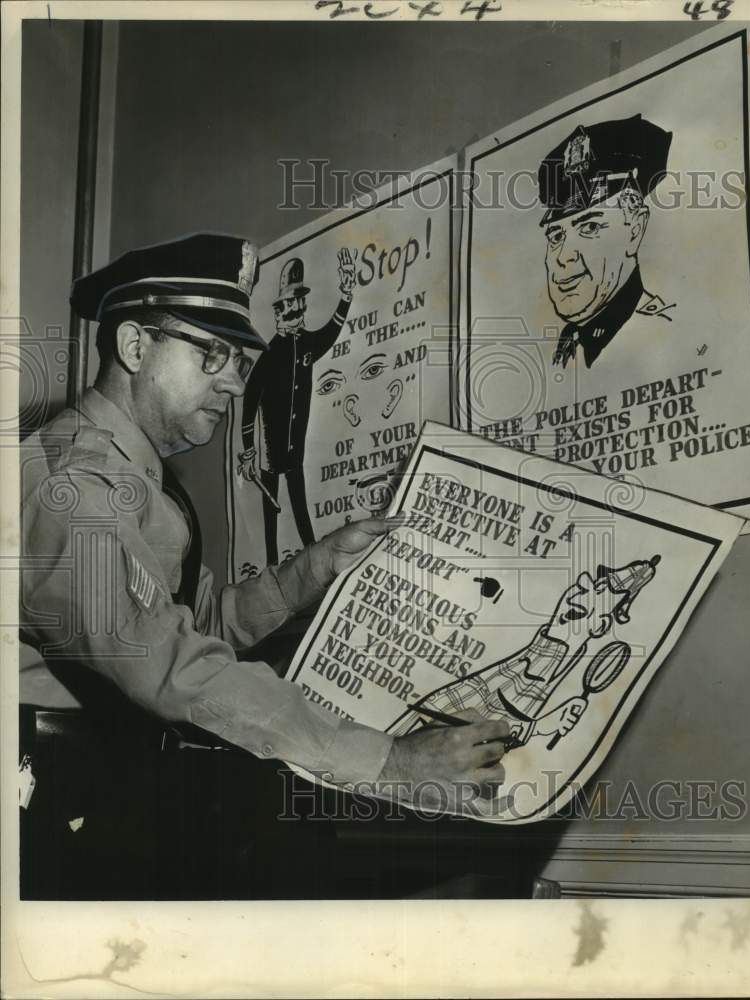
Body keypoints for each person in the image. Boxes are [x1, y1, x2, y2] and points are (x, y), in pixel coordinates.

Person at [19, 233, 510, 898]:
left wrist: (309, 571)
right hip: (50, 794)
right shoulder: (77, 486)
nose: (231, 379)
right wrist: (389, 762)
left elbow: (188, 625)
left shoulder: (123, 471)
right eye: (210, 353)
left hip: (98, 781)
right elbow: (167, 664)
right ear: (135, 347)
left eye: (239, 360)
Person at [238, 252, 355, 565]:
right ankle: (272, 565)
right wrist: (249, 452)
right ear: (279, 310)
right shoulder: (270, 354)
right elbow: (248, 403)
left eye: (298, 301)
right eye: (288, 304)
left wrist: (346, 296)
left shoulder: (306, 344)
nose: (294, 309)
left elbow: (330, 333)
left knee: (300, 504)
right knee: (271, 511)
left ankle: (313, 554)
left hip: (295, 450)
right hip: (269, 451)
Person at [538, 114, 675, 369]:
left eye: (590, 227)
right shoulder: (564, 348)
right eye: (556, 235)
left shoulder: (667, 331)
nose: (563, 256)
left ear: (634, 231)